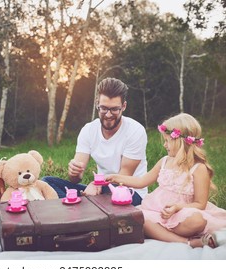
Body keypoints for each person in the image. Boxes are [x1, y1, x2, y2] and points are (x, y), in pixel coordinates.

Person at [106, 113, 226, 248]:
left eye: (167, 141)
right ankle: (187, 242)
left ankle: (161, 233)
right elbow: (141, 181)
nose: (165, 145)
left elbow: (200, 204)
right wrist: (116, 177)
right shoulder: (165, 161)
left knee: (198, 221)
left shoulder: (198, 168)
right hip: (158, 212)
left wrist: (177, 207)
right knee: (141, 218)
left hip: (182, 213)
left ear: (180, 141)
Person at [42, 77, 148, 206]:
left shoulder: (135, 131)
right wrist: (74, 172)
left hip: (129, 193)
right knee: (47, 182)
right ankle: (88, 206)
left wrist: (96, 184)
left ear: (123, 106)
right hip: (100, 190)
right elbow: (75, 179)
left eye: (114, 109)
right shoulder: (88, 130)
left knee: (97, 194)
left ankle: (83, 206)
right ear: (97, 104)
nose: (108, 115)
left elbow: (122, 179)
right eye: (103, 108)